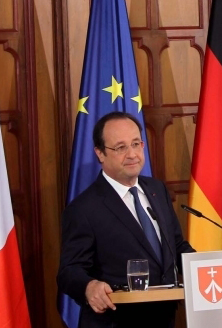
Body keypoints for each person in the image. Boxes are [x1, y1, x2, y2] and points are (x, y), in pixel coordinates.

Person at [57, 112, 195, 328]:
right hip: (115, 321)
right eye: (120, 148)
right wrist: (89, 286)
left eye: (136, 144)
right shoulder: (84, 209)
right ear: (100, 153)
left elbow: (176, 246)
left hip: (164, 319)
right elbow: (69, 270)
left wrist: (208, 268)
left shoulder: (157, 190)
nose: (132, 154)